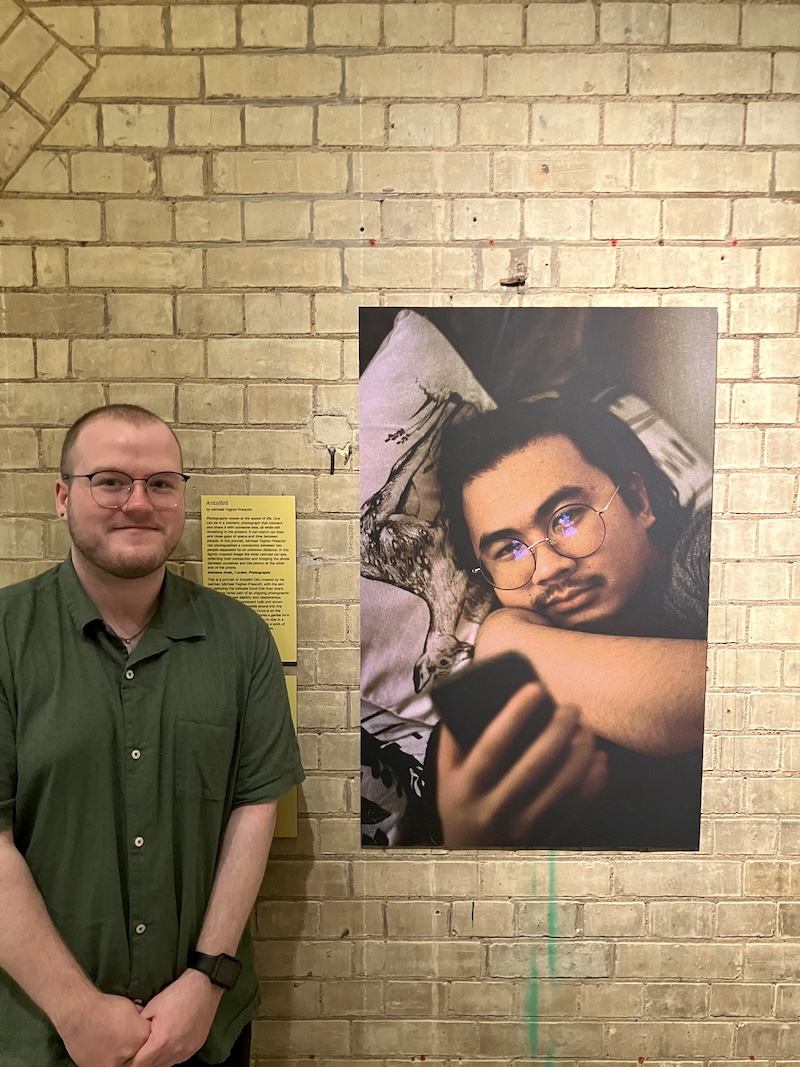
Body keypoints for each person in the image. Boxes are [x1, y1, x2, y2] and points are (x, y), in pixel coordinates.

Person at [0, 404, 304, 1067]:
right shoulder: (4, 637)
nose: (139, 502)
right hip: (38, 1035)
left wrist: (205, 979)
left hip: (201, 1030)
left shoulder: (240, 639)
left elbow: (253, 812)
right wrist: (76, 1007)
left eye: (161, 483)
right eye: (110, 480)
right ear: (62, 496)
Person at [431, 397, 711, 849]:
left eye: (565, 518)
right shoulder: (499, 707)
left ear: (639, 501)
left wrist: (508, 640)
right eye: (510, 550)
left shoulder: (708, 550)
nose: (547, 568)